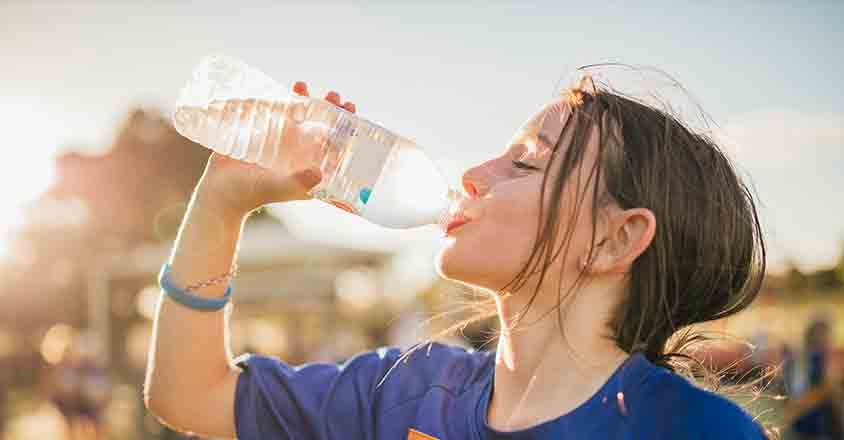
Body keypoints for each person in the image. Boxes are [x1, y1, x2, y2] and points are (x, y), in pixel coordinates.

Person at [144, 69, 770, 439]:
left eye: (525, 161)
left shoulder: (691, 430)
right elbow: (188, 394)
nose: (472, 173)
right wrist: (221, 204)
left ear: (616, 238)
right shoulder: (407, 391)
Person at [787, 318, 843, 439]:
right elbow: (796, 404)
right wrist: (828, 386)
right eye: (826, 338)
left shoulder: (824, 360)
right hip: (808, 432)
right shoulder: (802, 362)